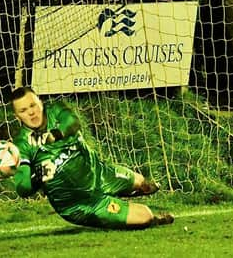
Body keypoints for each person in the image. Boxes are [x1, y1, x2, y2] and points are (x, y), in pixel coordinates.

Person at [10, 86, 175, 229]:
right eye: (23, 110)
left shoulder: (56, 110)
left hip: (100, 172)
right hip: (80, 204)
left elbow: (73, 122)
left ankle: (121, 192)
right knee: (145, 216)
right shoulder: (22, 145)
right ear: (17, 116)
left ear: (40, 102)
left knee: (141, 182)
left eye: (32, 105)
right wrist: (37, 177)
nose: (31, 112)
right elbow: (22, 187)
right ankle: (149, 218)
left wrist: (56, 134)